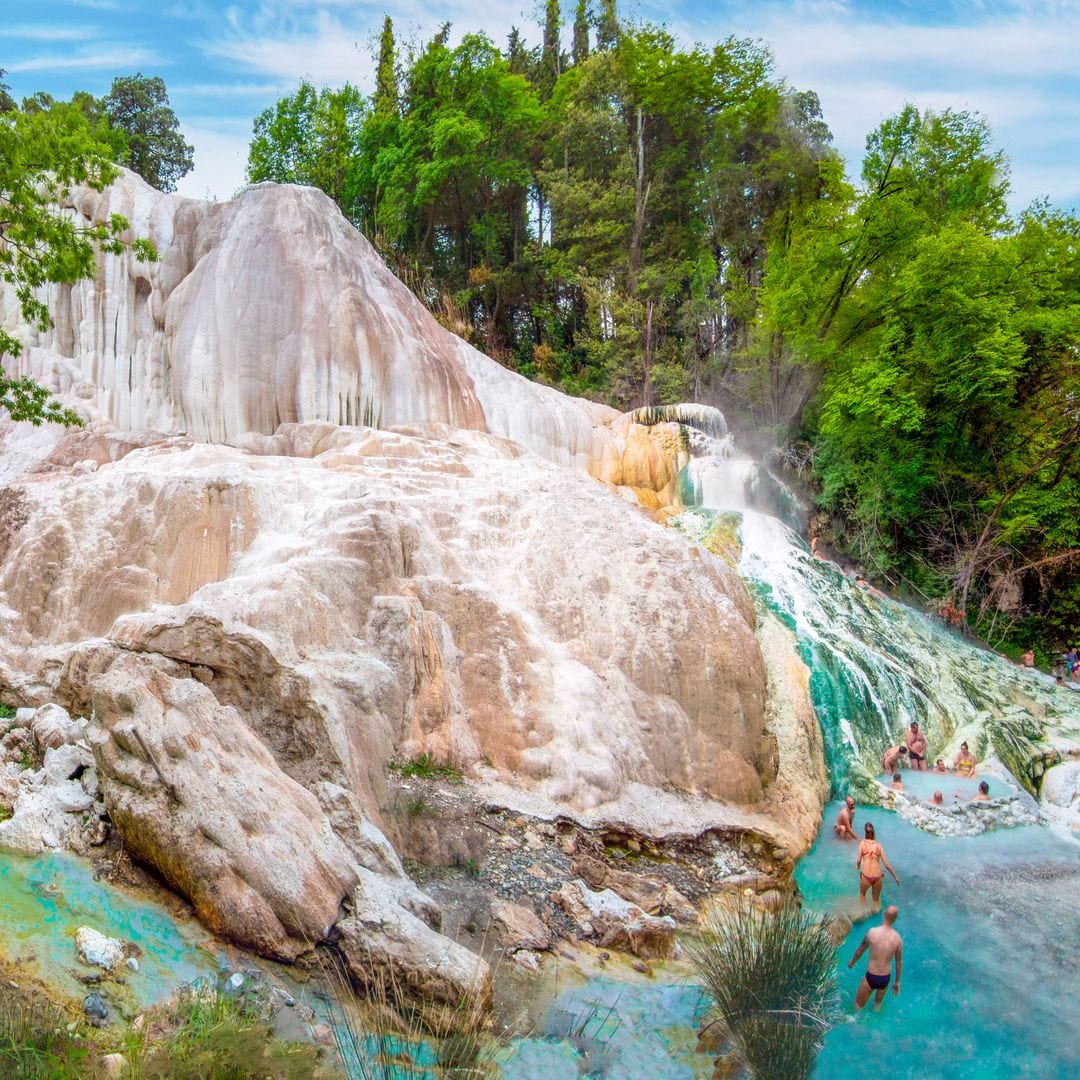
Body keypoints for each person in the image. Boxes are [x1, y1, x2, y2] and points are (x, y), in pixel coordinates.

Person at [848, 906, 903, 1011]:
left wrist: (852, 962)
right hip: (885, 979)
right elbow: (899, 963)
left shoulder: (872, 932)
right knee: (877, 1006)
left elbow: (860, 950)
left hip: (871, 976)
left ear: (884, 914)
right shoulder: (898, 939)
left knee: (858, 1007)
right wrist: (897, 982)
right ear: (895, 919)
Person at [856, 822, 899, 912]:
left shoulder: (862, 843)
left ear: (865, 832)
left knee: (862, 895)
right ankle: (875, 915)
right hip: (878, 877)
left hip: (866, 877)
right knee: (876, 900)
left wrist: (857, 866)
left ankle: (863, 914)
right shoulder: (879, 845)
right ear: (874, 832)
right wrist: (895, 877)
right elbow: (886, 864)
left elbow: (858, 860)